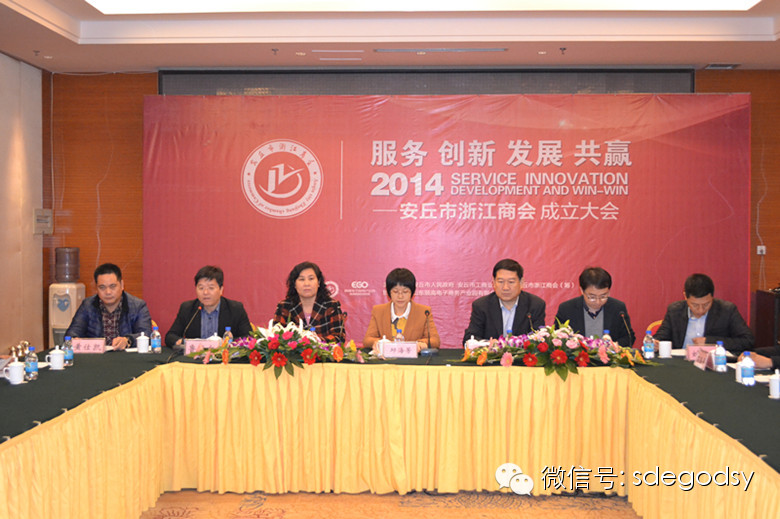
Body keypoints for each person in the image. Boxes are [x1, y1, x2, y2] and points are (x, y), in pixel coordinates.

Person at [653, 273, 754, 352]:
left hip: (713, 364)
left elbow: (748, 341)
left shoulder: (727, 310)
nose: (700, 310)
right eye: (695, 305)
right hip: (680, 363)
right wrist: (655, 344)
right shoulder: (674, 310)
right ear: (685, 296)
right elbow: (661, 337)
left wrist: (709, 342)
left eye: (706, 304)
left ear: (712, 297)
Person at [65, 263, 152, 350]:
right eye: (102, 287)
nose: (108, 292)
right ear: (96, 288)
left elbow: (147, 335)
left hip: (126, 356)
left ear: (122, 285)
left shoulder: (138, 306)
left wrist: (128, 340)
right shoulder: (87, 305)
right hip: (96, 357)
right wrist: (75, 340)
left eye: (112, 286)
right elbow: (70, 334)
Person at [165, 265, 252, 348]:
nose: (205, 292)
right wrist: (182, 342)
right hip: (194, 357)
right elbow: (170, 336)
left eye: (211, 288)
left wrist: (228, 343)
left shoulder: (235, 309)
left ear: (221, 290)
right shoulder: (187, 308)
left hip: (223, 357)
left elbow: (248, 338)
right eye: (201, 288)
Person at [462, 258, 545, 344]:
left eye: (511, 282)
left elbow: (539, 339)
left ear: (521, 283)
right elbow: (470, 338)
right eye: (501, 281)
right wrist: (489, 344)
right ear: (494, 282)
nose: (505, 287)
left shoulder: (535, 305)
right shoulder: (481, 306)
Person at [554, 267, 635, 347]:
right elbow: (557, 339)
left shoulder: (618, 308)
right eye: (592, 297)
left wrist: (613, 346)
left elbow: (629, 337)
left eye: (603, 296)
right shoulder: (567, 309)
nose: (598, 301)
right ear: (582, 290)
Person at [364, 268, 441, 352]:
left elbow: (435, 341)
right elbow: (367, 340)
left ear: (412, 292)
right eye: (395, 292)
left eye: (405, 292)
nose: (400, 296)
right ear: (389, 292)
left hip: (413, 359)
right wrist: (379, 342)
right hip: (387, 359)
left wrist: (420, 344)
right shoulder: (378, 311)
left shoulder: (423, 312)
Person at [273, 261, 345, 343]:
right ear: (294, 284)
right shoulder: (284, 307)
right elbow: (276, 337)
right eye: (301, 279)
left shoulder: (331, 306)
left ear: (319, 282)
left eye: (311, 279)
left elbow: (339, 337)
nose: (306, 284)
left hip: (323, 350)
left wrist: (313, 342)